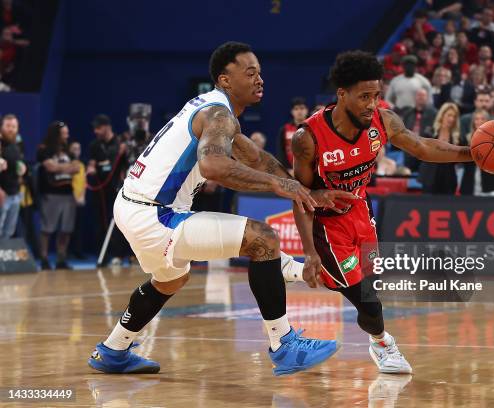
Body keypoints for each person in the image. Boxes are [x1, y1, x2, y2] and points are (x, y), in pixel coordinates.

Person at [87, 42, 354, 376]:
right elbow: (213, 166)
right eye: (250, 73)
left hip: (132, 205)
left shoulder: (215, 110)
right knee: (263, 238)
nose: (260, 80)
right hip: (154, 213)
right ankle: (284, 344)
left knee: (169, 281)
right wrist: (281, 186)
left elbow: (257, 159)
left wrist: (303, 189)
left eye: (260, 73)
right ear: (225, 80)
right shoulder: (217, 113)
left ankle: (113, 349)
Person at [291, 51, 473, 374]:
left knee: (373, 287)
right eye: (364, 97)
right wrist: (309, 252)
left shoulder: (383, 121)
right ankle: (383, 342)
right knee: (368, 300)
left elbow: (421, 147)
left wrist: (470, 154)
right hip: (327, 226)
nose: (371, 104)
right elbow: (299, 196)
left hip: (361, 210)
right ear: (342, 94)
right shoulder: (308, 138)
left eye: (376, 95)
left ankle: (373, 335)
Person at [36, 121, 80, 270]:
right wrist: (66, 168)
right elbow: (50, 167)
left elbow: (77, 168)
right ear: (57, 134)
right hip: (51, 194)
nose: (67, 136)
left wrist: (59, 168)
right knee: (47, 229)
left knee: (66, 229)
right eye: (64, 133)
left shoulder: (69, 150)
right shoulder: (44, 149)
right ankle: (44, 258)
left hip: (68, 194)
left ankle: (61, 259)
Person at [87, 114, 129, 265]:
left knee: (118, 222)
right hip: (100, 189)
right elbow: (91, 163)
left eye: (98, 128)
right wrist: (90, 168)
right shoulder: (95, 145)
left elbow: (126, 165)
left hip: (117, 188)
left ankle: (119, 254)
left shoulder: (120, 144)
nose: (96, 131)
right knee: (100, 222)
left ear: (106, 127)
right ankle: (102, 255)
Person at [418, 102, 462, 194]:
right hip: (430, 177)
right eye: (449, 115)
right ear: (442, 115)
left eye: (454, 117)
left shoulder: (456, 137)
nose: (451, 119)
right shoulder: (429, 132)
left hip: (448, 179)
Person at [460, 109, 494, 196]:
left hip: (491, 186)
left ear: (487, 121)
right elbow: (463, 162)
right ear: (473, 122)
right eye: (476, 119)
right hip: (470, 186)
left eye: (482, 119)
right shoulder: (467, 139)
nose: (479, 121)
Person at [0, 113, 25, 238]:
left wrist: (22, 168)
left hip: (15, 194)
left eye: (14, 126)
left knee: (8, 233)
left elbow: (18, 164)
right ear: (1, 127)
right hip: (2, 195)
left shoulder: (17, 145)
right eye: (8, 126)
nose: (11, 129)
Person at [277, 97, 308, 170]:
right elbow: (281, 151)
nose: (299, 111)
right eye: (296, 109)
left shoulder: (313, 128)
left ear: (307, 110)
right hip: (290, 171)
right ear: (292, 112)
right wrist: (287, 169)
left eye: (302, 108)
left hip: (310, 170)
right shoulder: (284, 129)